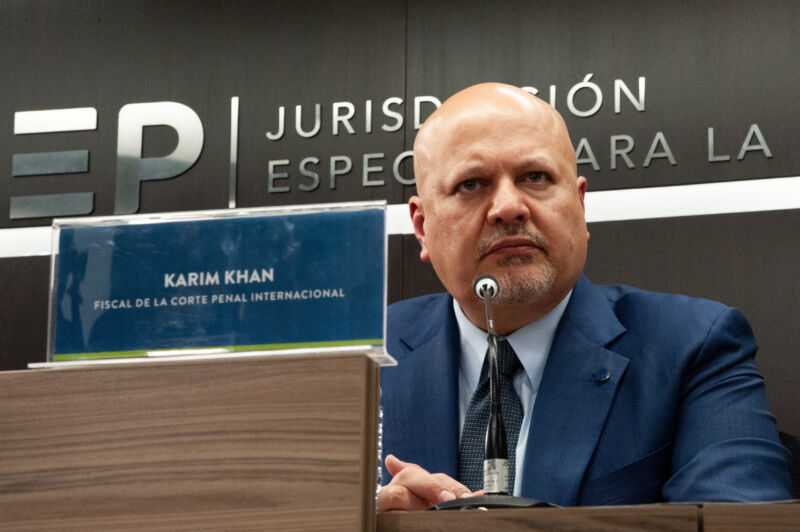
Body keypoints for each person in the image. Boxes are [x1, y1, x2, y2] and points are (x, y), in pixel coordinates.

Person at [377, 82, 791, 512]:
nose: (508, 206)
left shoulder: (693, 346)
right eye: (471, 184)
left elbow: (738, 520)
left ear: (579, 204)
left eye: (534, 177)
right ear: (423, 227)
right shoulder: (364, 356)